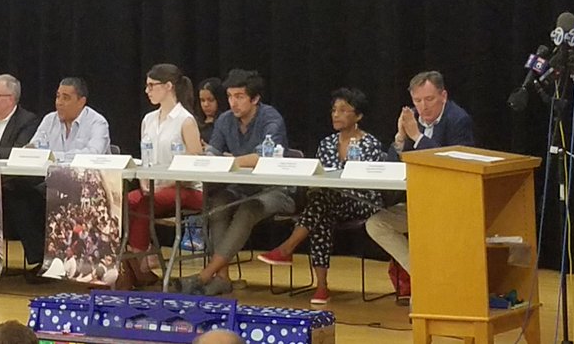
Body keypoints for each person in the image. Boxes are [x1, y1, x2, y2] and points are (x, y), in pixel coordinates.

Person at [255, 88, 385, 304]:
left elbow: (370, 182)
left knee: (321, 204)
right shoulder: (326, 144)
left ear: (358, 116)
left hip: (363, 201)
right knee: (321, 211)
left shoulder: (370, 144)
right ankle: (321, 287)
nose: (336, 115)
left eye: (343, 110)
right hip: (330, 202)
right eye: (334, 110)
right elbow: (319, 176)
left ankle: (288, 249)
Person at [182, 69, 295, 295]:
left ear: (255, 99)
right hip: (240, 187)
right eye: (230, 96)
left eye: (239, 97)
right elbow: (213, 152)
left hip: (276, 190)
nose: (233, 103)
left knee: (248, 208)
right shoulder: (225, 120)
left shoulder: (270, 119)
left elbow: (264, 156)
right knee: (218, 204)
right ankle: (222, 277)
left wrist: (231, 160)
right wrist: (202, 159)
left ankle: (205, 275)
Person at [366, 70, 474, 304]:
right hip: (419, 201)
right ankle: (424, 278)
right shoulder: (413, 118)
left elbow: (453, 164)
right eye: (417, 100)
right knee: (376, 224)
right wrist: (400, 139)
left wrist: (417, 136)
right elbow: (391, 168)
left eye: (429, 99)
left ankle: (435, 286)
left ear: (443, 96)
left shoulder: (458, 120)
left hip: (451, 204)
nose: (423, 107)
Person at [8, 76, 110, 273]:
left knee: (50, 196)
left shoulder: (97, 122)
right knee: (17, 193)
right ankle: (42, 259)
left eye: (66, 98)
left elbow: (93, 154)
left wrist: (54, 156)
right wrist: (33, 151)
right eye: (57, 97)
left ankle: (73, 260)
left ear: (81, 101)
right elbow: (33, 148)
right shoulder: (49, 120)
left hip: (86, 188)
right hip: (52, 183)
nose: (59, 103)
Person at [120, 63, 205, 289]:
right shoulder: (148, 120)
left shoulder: (185, 120)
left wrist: (162, 184)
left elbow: (195, 162)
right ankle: (133, 257)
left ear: (168, 86)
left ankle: (139, 259)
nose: (147, 90)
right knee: (124, 201)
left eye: (151, 85)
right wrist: (144, 181)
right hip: (156, 188)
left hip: (186, 189)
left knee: (145, 202)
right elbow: (146, 157)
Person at [197, 77, 225, 146]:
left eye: (211, 100)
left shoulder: (226, 123)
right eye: (202, 100)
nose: (206, 104)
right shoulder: (195, 122)